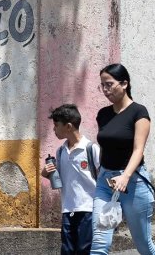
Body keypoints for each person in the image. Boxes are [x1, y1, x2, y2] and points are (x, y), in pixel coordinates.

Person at [91, 64, 155, 255]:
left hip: (134, 182)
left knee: (144, 245)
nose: (105, 90)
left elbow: (138, 150)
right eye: (102, 86)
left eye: (109, 85)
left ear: (124, 84)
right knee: (98, 244)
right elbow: (107, 146)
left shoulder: (139, 112)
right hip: (105, 183)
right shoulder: (103, 114)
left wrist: (125, 176)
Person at [42, 104, 101, 255]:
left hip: (88, 209)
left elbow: (103, 177)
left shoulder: (91, 149)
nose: (54, 129)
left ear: (68, 126)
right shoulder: (61, 151)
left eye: (56, 125)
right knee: (67, 250)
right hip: (68, 209)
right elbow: (59, 179)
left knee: (84, 250)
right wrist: (46, 173)